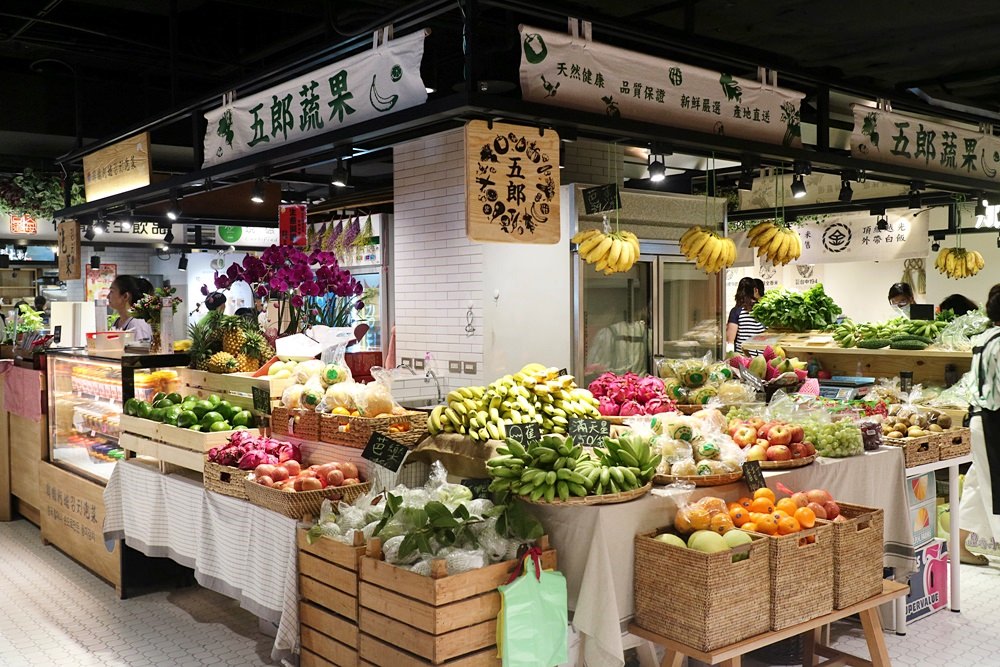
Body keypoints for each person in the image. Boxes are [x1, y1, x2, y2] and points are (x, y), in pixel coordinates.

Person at [958, 284, 1000, 565]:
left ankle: (959, 546)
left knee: (977, 482)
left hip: (981, 419)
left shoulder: (987, 338)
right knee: (992, 484)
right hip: (992, 421)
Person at [108, 275, 153, 343]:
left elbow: (141, 352)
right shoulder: (117, 322)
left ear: (125, 296)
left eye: (112, 291)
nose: (107, 296)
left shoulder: (138, 324)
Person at [727, 277, 765, 354]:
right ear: (755, 290)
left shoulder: (736, 311)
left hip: (743, 359)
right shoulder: (764, 310)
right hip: (763, 358)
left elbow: (730, 340)